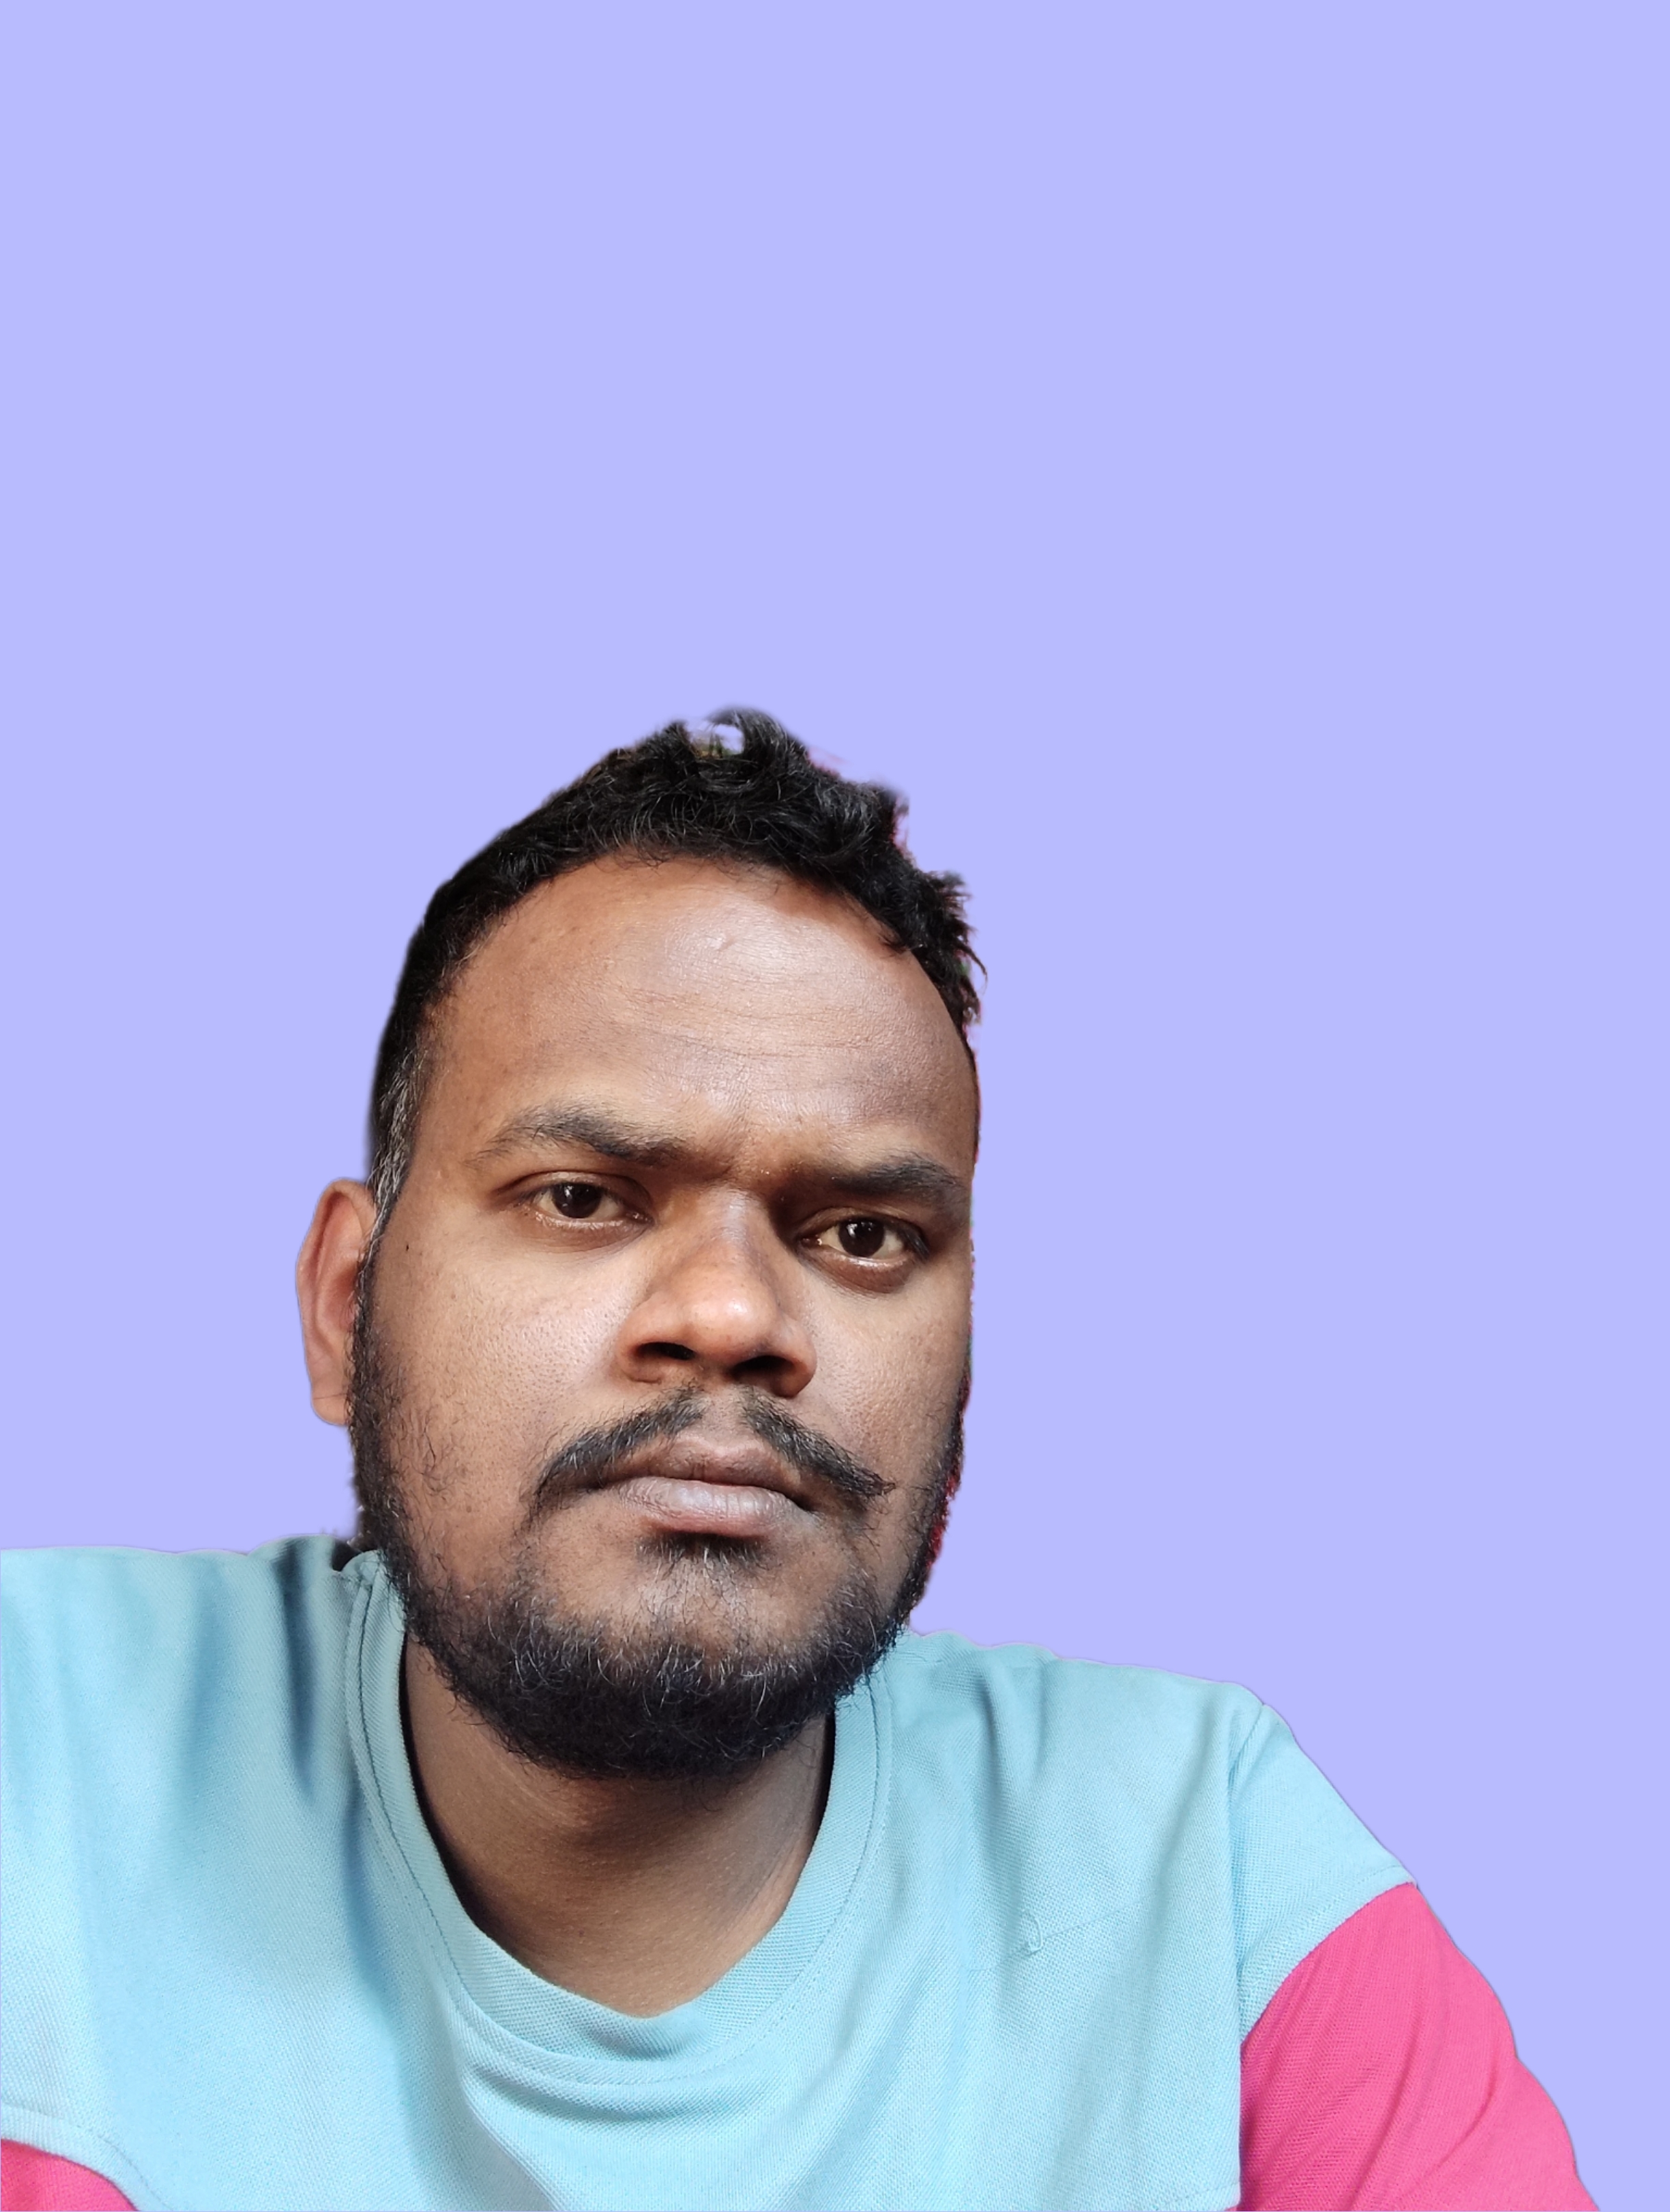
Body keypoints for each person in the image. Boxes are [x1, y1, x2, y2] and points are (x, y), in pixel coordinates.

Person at [1, 716, 1592, 2212]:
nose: (733, 1317)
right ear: (350, 1309)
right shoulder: (40, 1754)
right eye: (584, 1197)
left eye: (864, 1235)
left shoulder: (1212, 1883)